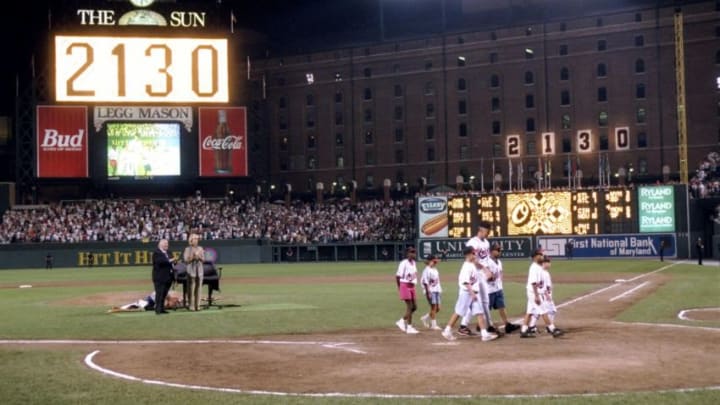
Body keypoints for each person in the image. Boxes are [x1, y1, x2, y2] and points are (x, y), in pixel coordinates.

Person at [441, 246, 497, 342]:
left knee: (479, 313)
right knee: (458, 312)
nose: (475, 255)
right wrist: (472, 293)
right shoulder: (466, 267)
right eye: (473, 253)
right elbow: (466, 282)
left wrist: (485, 270)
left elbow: (475, 273)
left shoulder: (471, 264)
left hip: (472, 294)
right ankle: (447, 330)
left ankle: (484, 334)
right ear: (468, 254)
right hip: (467, 293)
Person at [458, 221, 494, 336]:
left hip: (482, 274)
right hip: (475, 274)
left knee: (481, 301)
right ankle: (487, 326)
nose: (488, 234)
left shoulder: (486, 243)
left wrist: (488, 270)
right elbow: (473, 259)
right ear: (481, 230)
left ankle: (468, 325)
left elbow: (486, 259)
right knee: (480, 301)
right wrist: (485, 269)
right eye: (487, 231)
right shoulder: (473, 242)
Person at [520, 249, 563, 338]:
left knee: (530, 312)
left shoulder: (539, 267)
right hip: (533, 292)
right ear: (535, 256)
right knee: (543, 310)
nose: (542, 256)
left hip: (535, 292)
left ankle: (523, 331)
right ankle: (552, 329)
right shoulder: (534, 268)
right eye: (540, 254)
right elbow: (533, 283)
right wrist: (536, 296)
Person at [486, 242, 520, 334]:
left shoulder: (499, 262)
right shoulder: (487, 262)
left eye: (500, 250)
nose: (500, 251)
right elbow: (484, 276)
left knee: (501, 306)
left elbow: (500, 272)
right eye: (498, 250)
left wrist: (499, 280)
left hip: (498, 288)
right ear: (492, 251)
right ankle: (486, 326)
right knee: (486, 309)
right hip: (489, 290)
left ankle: (507, 325)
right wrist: (489, 277)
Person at [395, 246, 420, 334]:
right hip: (405, 285)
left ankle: (402, 321)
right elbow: (398, 276)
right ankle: (409, 327)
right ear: (407, 254)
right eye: (411, 252)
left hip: (412, 286)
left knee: (415, 307)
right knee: (410, 306)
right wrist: (400, 288)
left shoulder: (414, 263)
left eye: (414, 252)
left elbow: (414, 274)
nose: (414, 254)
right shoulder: (403, 263)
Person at [152, 239, 176, 315]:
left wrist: (174, 262)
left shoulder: (169, 252)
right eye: (165, 244)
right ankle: (158, 309)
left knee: (164, 293)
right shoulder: (157, 253)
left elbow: (172, 262)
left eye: (167, 244)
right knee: (159, 293)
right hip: (159, 277)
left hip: (168, 276)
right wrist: (171, 260)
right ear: (160, 244)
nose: (167, 245)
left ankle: (162, 308)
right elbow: (161, 262)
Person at [420, 254, 442, 330]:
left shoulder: (435, 269)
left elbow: (437, 281)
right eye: (434, 260)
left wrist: (439, 290)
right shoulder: (426, 270)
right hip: (431, 291)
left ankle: (425, 318)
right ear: (430, 261)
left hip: (437, 290)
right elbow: (425, 282)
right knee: (433, 307)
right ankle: (433, 325)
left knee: (438, 308)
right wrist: (428, 292)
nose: (435, 262)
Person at [183, 233, 205, 311]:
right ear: (191, 240)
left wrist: (199, 257)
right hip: (190, 271)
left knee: (199, 288)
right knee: (191, 289)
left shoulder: (200, 248)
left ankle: (198, 305)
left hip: (199, 270)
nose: (196, 240)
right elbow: (186, 260)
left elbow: (203, 260)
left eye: (197, 239)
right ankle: (191, 305)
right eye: (195, 239)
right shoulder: (187, 249)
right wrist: (193, 257)